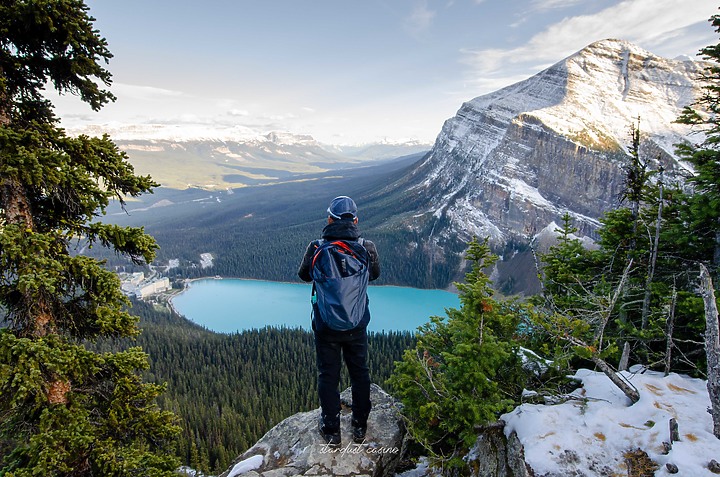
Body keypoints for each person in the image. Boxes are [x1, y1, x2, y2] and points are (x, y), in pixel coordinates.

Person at [298, 196, 380, 447]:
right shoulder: (367, 247)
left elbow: (303, 276)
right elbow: (374, 275)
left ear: (329, 218)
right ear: (355, 220)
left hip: (326, 325)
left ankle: (332, 430)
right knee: (360, 373)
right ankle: (359, 427)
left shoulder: (316, 247)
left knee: (328, 375)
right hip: (356, 323)